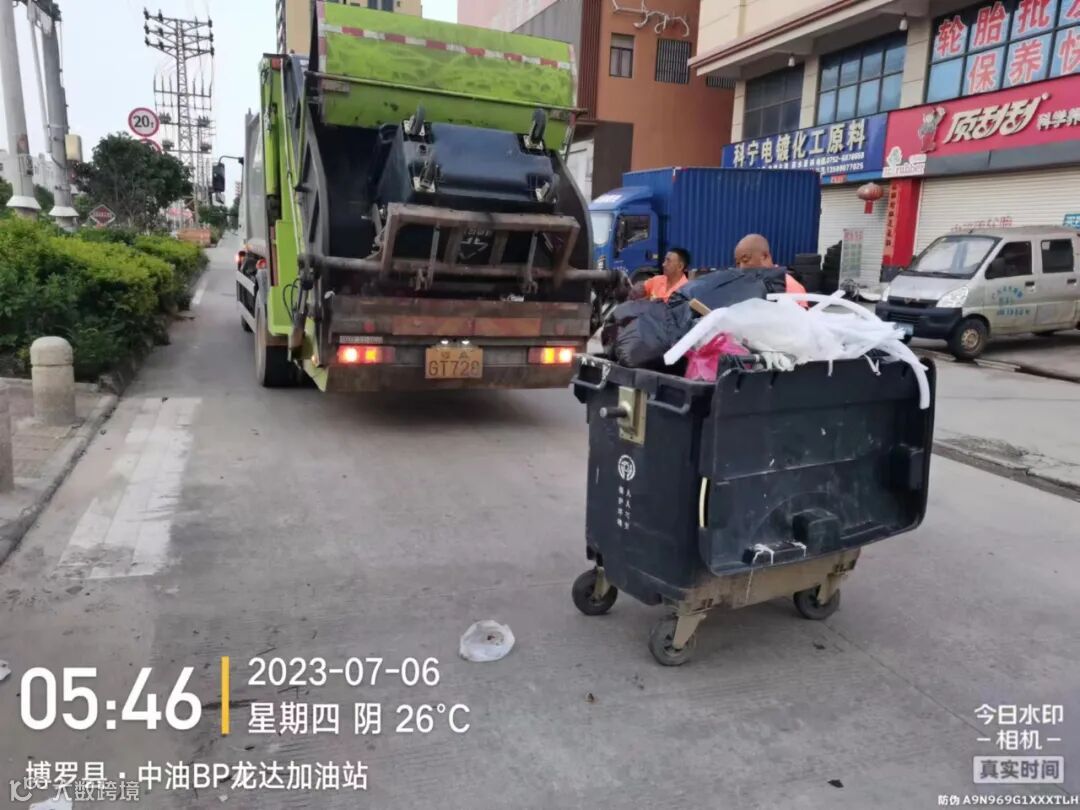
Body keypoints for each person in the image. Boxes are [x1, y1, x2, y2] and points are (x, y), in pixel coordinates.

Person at [734, 233, 808, 303]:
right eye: (738, 263)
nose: (741, 267)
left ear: (764, 256)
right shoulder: (740, 285)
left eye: (745, 260)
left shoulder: (791, 286)